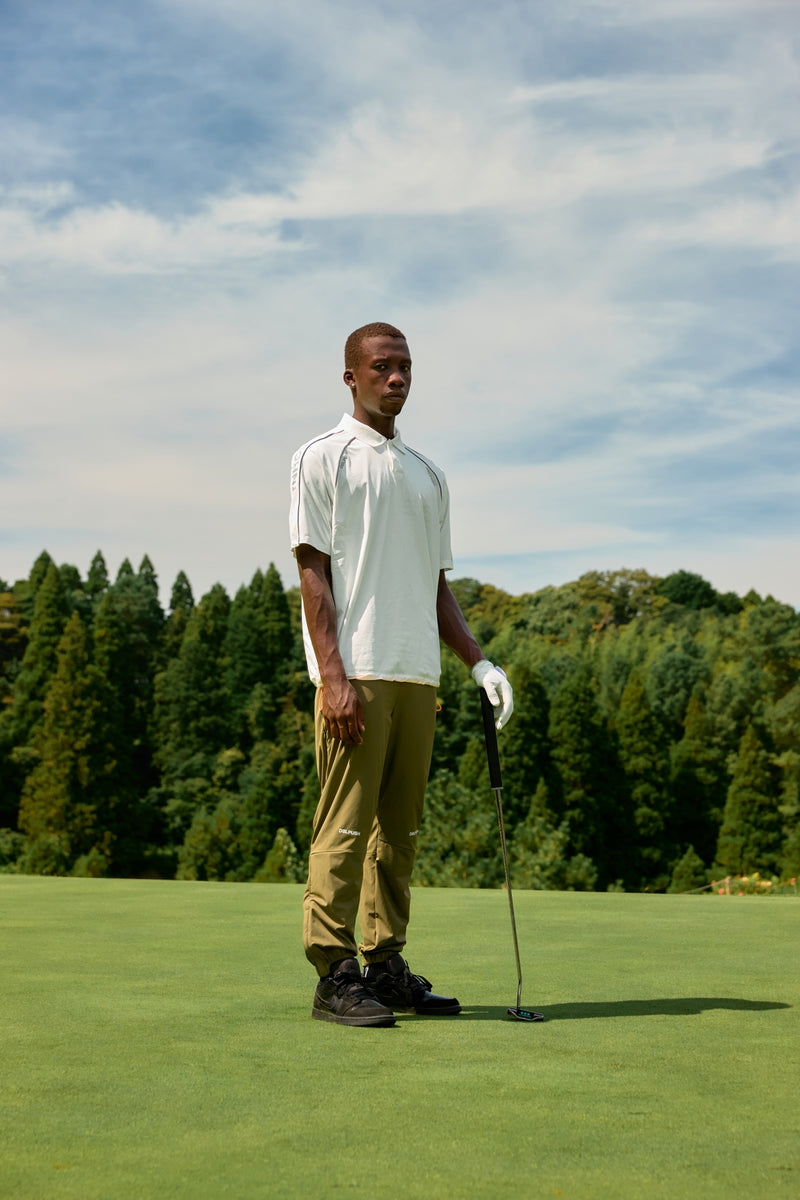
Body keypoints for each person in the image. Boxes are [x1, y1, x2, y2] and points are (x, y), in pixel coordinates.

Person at [289, 322, 513, 1027]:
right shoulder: (320, 458)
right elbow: (312, 572)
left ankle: (384, 966)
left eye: (406, 367)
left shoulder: (429, 475)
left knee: (399, 834)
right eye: (382, 367)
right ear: (351, 376)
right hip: (357, 671)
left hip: (419, 678)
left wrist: (476, 661)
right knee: (345, 829)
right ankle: (334, 974)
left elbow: (436, 585)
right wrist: (334, 677)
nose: (397, 378)